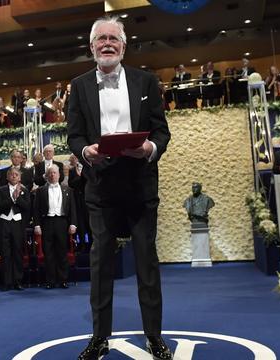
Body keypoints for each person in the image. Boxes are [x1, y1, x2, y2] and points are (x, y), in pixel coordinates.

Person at [67, 15, 173, 360]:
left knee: (147, 262)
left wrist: (149, 149)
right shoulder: (78, 85)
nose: (108, 43)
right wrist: (85, 152)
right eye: (102, 39)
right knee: (100, 265)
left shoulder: (146, 81)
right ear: (92, 47)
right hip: (100, 187)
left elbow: (161, 132)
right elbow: (75, 135)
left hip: (140, 184)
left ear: (124, 46)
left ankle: (154, 337)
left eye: (114, 38)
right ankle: (99, 337)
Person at [33, 165, 77, 289]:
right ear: (47, 175)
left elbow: (73, 208)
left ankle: (63, 279)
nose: (52, 175)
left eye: (55, 173)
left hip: (62, 223)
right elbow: (35, 210)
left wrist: (73, 223)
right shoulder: (41, 190)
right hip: (46, 222)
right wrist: (37, 225)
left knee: (62, 252)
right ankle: (50, 280)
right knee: (49, 253)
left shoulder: (67, 189)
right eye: (50, 173)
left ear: (59, 174)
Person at [0, 167, 30, 291]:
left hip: (18, 224)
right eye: (11, 175)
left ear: (19, 177)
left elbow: (26, 207)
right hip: (4, 223)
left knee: (18, 253)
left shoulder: (24, 190)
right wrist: (12, 198)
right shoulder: (0, 190)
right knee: (5, 253)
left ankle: (18, 281)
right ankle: (7, 282)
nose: (14, 176)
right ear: (7, 177)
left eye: (16, 175)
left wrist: (17, 198)